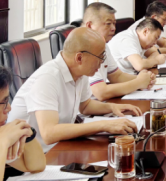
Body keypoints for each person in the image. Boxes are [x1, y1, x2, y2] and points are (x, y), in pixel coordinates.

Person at [8, 28, 144, 152]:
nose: (102, 62)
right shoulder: (47, 78)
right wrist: (105, 125)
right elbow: (49, 133)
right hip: (30, 158)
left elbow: (85, 106)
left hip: (58, 147)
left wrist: (112, 107)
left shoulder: (79, 72)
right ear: (79, 58)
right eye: (100, 57)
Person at [83, 2, 156, 101]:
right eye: (108, 24)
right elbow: (101, 92)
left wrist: (147, 79)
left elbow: (117, 76)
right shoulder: (85, 48)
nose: (113, 28)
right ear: (89, 25)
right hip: (91, 106)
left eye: (114, 23)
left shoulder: (103, 45)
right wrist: (138, 83)